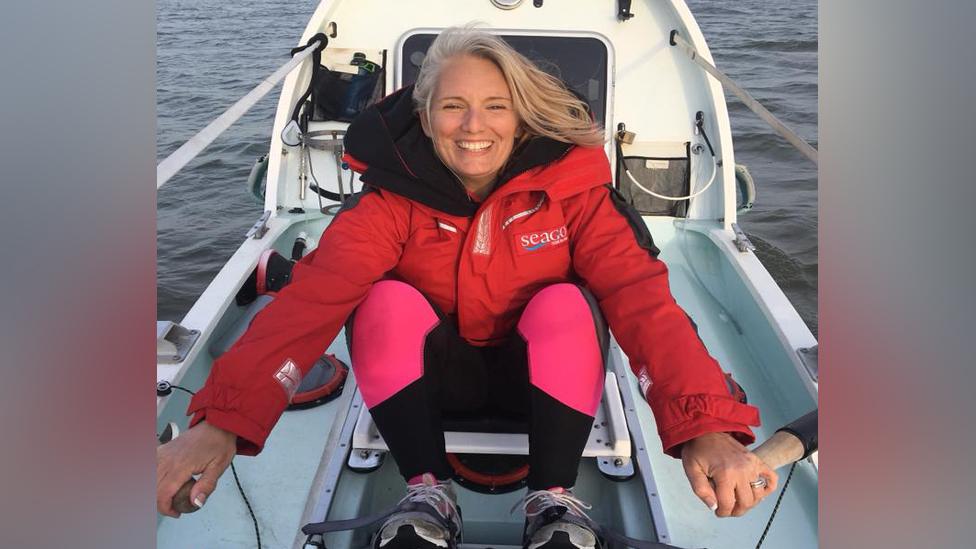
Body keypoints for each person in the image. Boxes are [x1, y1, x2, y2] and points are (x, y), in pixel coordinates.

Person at [156, 26, 777, 549]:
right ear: (425, 117)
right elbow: (313, 300)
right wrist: (221, 424)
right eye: (452, 106)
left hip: (547, 392)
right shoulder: (390, 201)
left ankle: (555, 502)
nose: (472, 126)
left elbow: (642, 300)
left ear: (522, 114)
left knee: (569, 301)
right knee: (382, 297)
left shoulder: (575, 195)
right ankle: (427, 493)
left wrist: (704, 428)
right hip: (427, 394)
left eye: (496, 106)